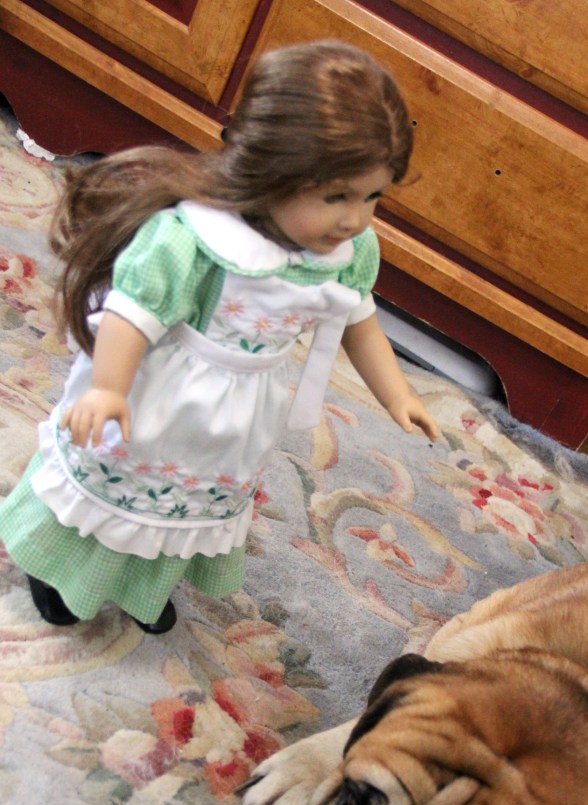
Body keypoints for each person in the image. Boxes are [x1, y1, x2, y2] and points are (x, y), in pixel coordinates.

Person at [0, 40, 439, 634]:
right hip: (159, 397)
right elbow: (131, 314)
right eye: (336, 196)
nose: (355, 218)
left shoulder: (349, 251)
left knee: (189, 501)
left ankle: (140, 582)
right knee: (118, 483)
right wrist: (107, 388)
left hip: (238, 414)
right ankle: (56, 569)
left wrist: (398, 394)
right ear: (272, 172)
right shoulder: (196, 240)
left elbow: (358, 324)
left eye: (373, 197)